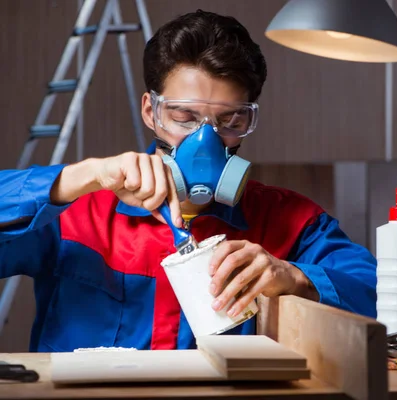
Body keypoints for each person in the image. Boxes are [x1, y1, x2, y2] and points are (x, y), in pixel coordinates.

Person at [0, 9, 377, 352]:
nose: (206, 140)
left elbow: (378, 293)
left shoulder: (290, 220)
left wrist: (294, 276)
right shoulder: (75, 212)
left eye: (231, 121)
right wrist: (78, 178)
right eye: (184, 117)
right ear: (152, 112)